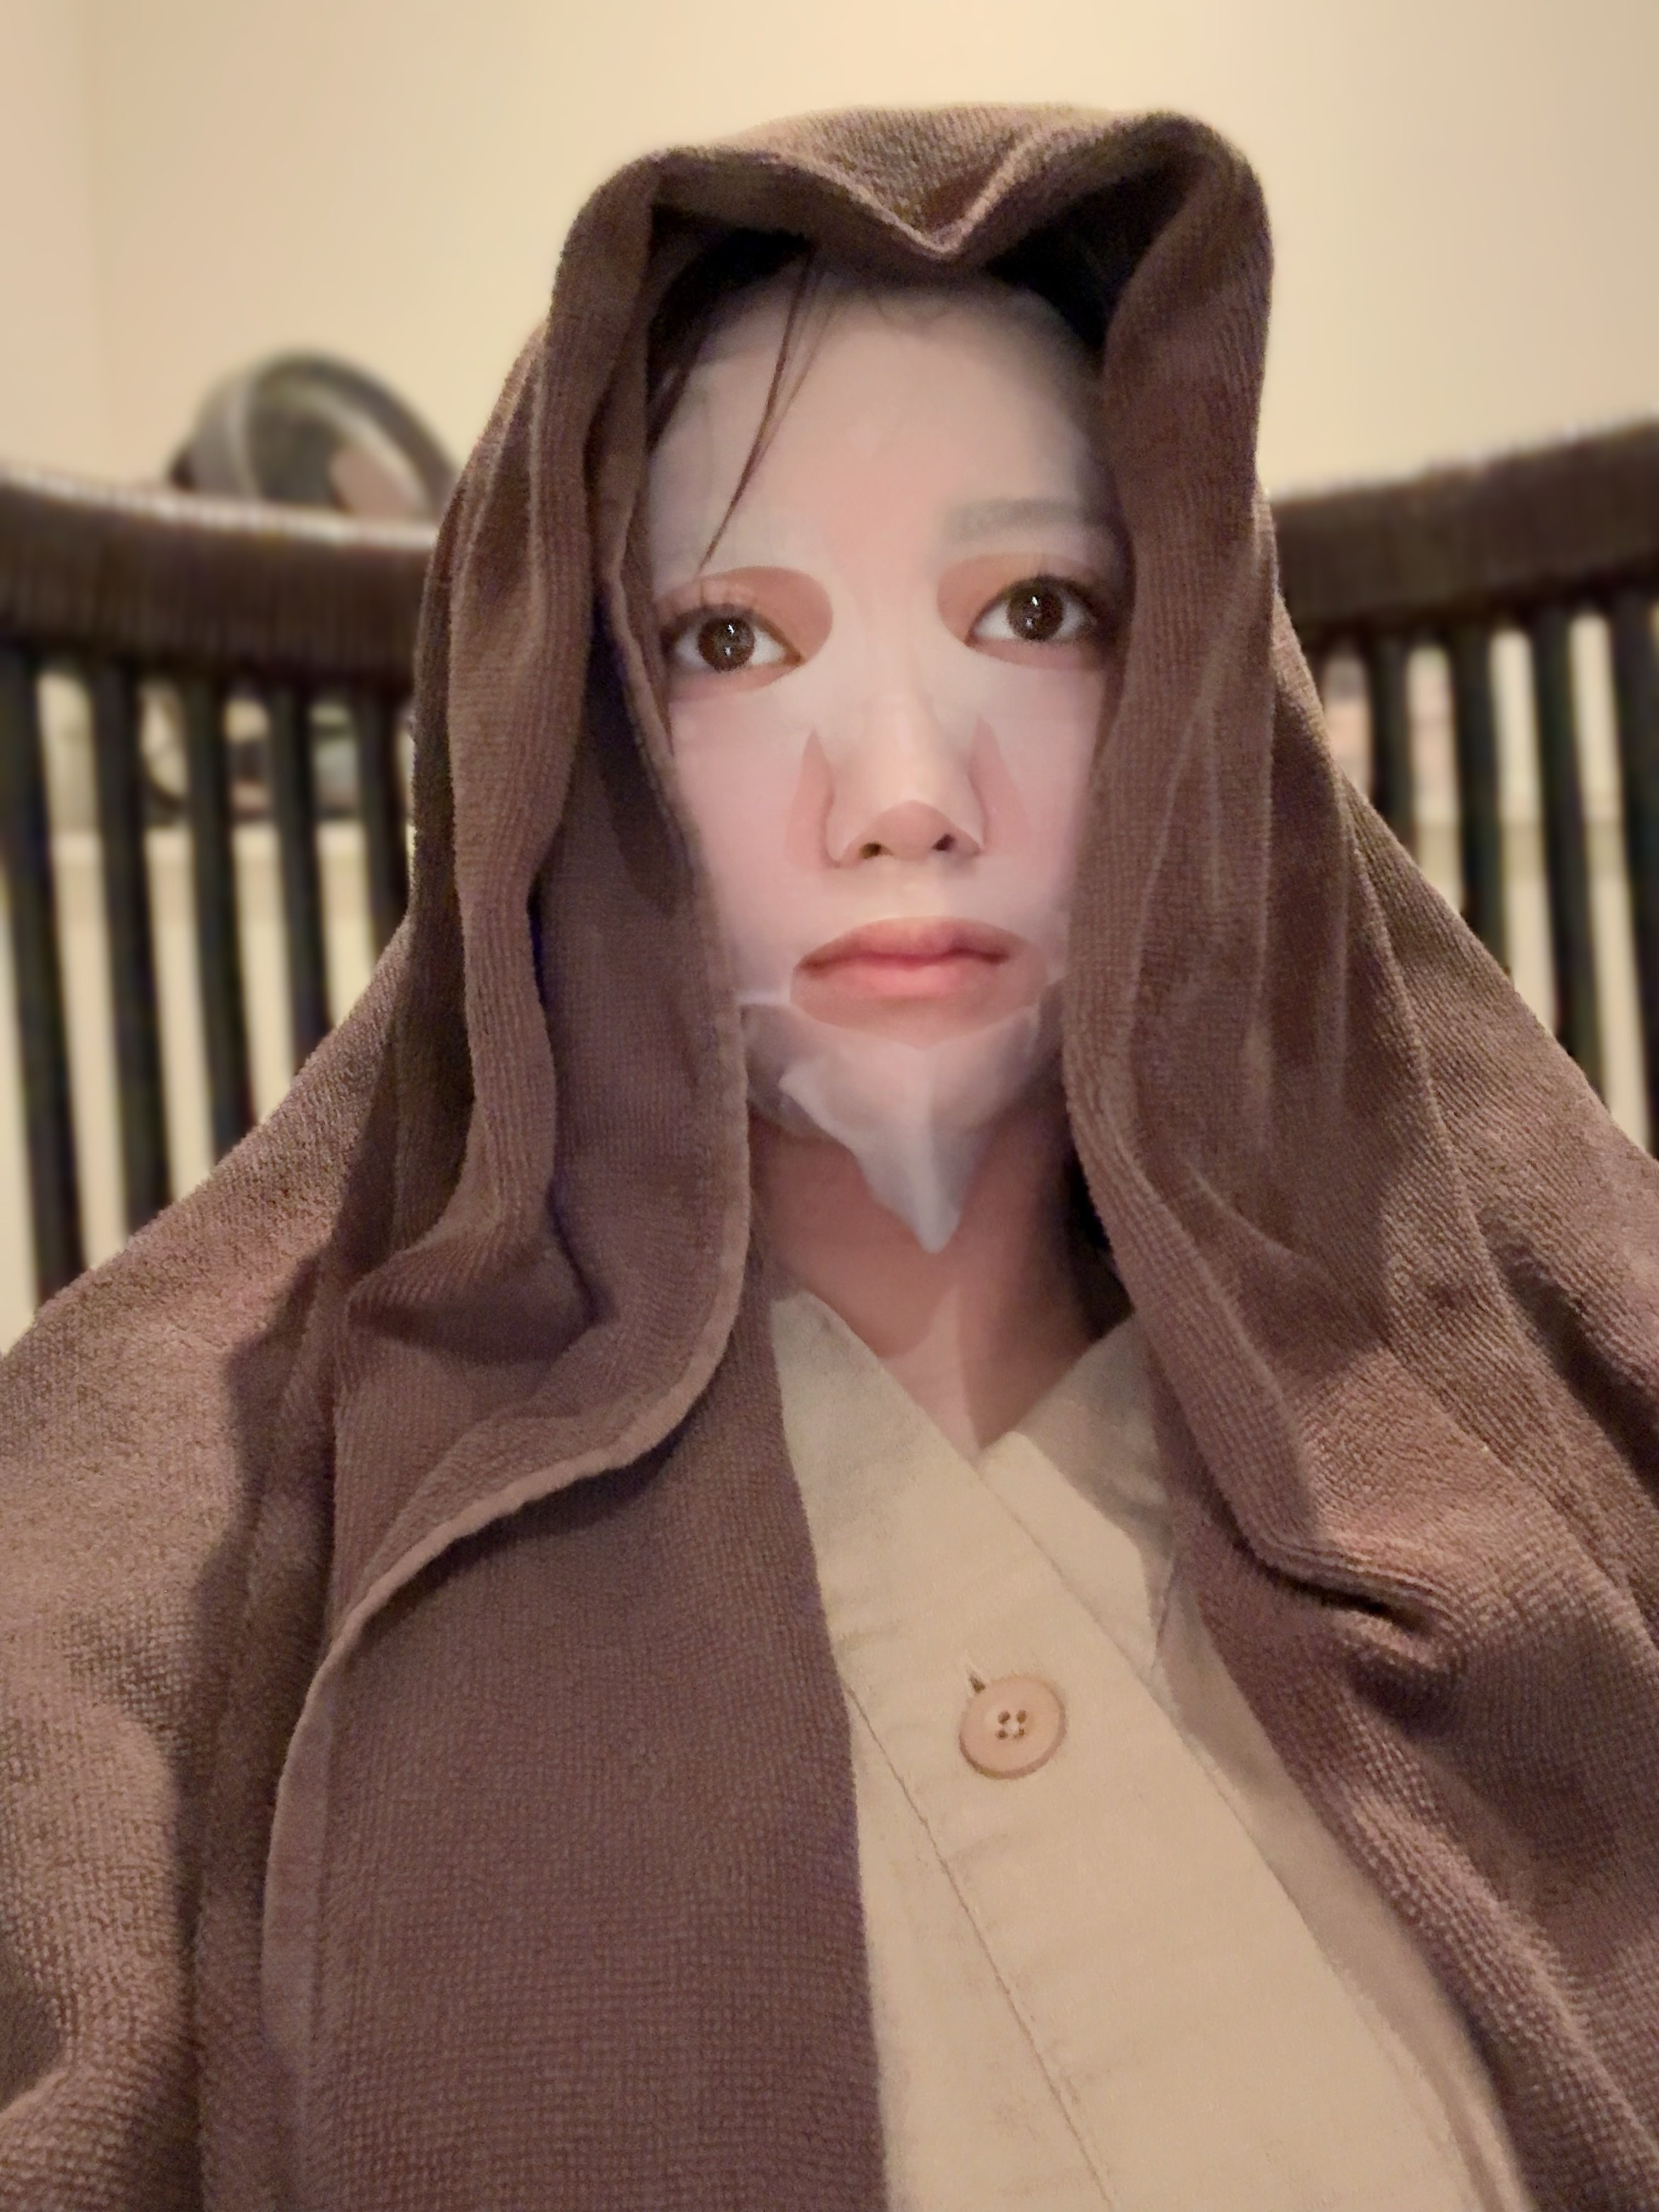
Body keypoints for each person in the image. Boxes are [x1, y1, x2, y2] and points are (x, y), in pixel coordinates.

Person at [1, 105, 1656, 2212]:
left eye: (1038, 609)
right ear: (566, 735)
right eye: (729, 640)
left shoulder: (1546, 1435)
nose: (899, 791)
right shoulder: (128, 1592)